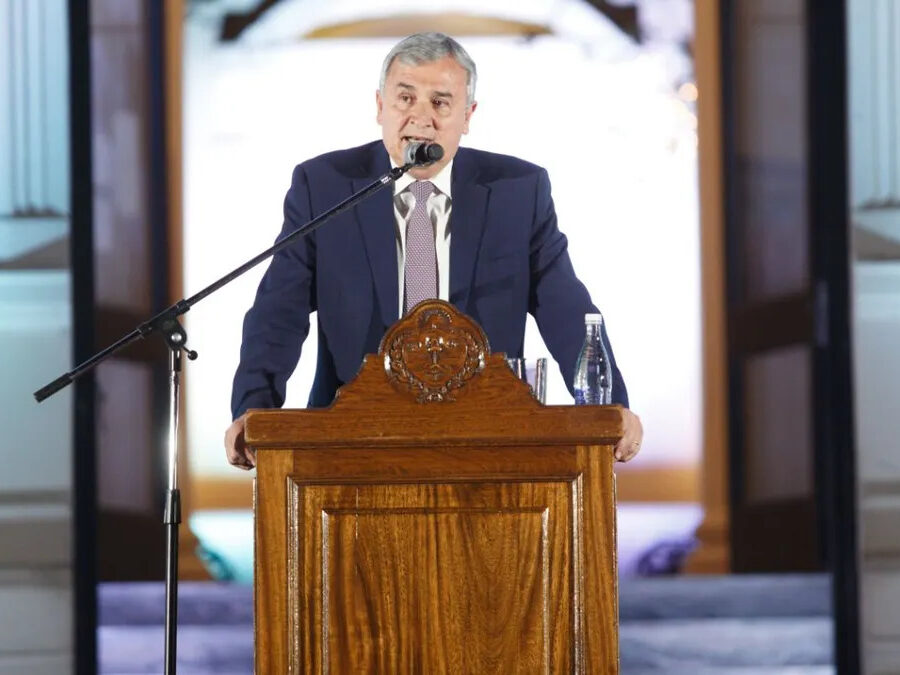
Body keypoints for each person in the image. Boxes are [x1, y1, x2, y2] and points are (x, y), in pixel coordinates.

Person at [225, 32, 643, 469]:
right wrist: (254, 409)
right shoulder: (325, 186)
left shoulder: (517, 191)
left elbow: (566, 309)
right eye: (405, 98)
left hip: (489, 445)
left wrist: (611, 407)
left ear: (468, 115)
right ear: (380, 106)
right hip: (350, 442)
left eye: (441, 102)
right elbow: (279, 309)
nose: (421, 118)